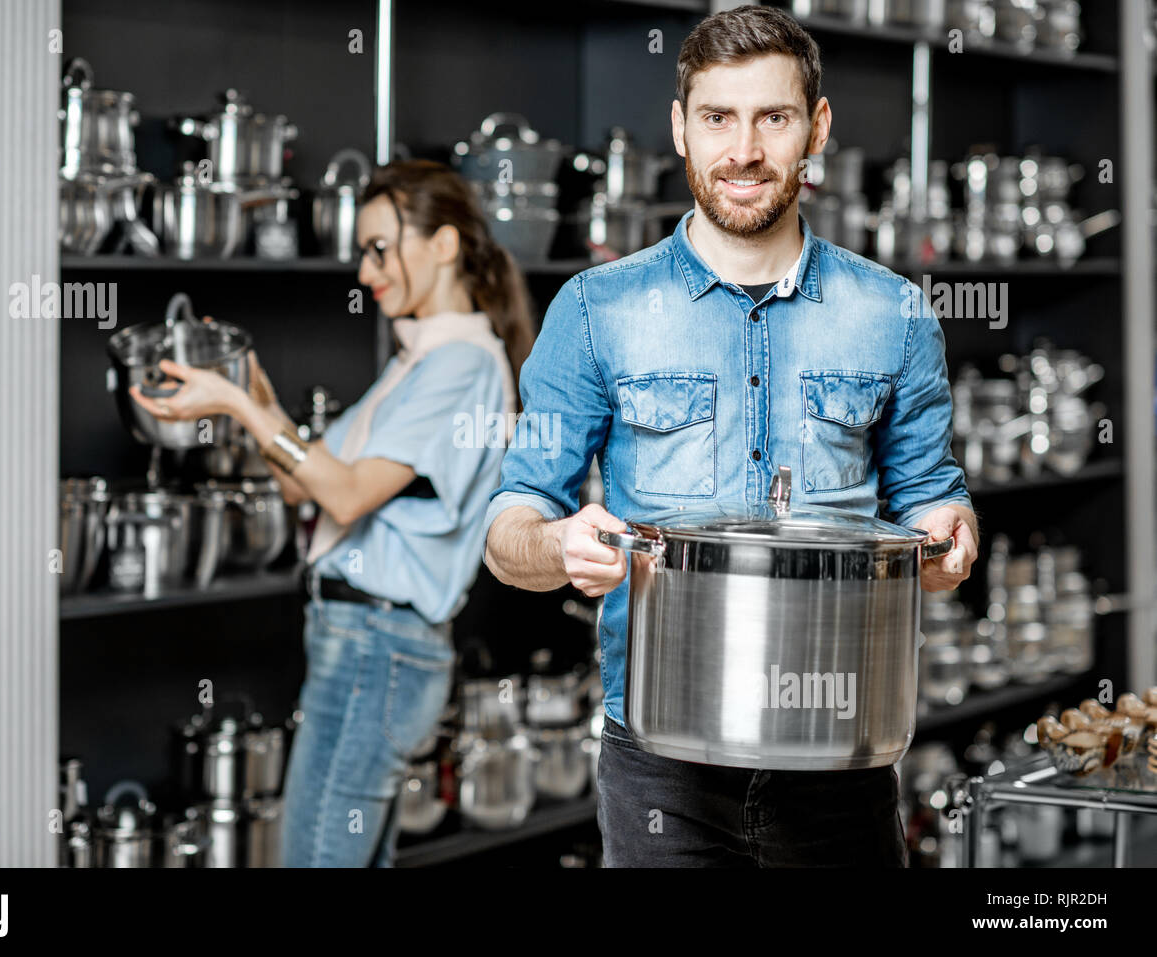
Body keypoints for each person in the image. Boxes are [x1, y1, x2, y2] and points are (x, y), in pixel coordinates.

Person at [482, 5, 979, 867]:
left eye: (773, 117)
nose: (744, 150)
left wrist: (948, 539)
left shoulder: (895, 312)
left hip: (843, 755)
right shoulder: (595, 312)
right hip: (660, 774)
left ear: (816, 127)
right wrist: (559, 544)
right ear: (680, 127)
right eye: (718, 117)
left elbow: (932, 501)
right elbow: (507, 531)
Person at [130, 159, 534, 866]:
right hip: (366, 643)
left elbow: (346, 495)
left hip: (376, 645)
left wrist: (240, 409)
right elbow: (303, 483)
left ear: (442, 245)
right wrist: (255, 402)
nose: (365, 271)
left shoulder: (461, 366)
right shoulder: (418, 361)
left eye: (381, 248)